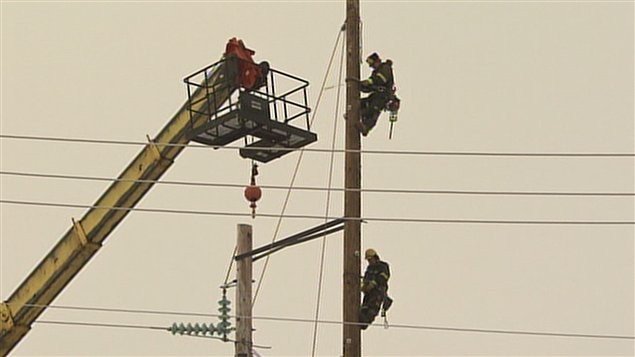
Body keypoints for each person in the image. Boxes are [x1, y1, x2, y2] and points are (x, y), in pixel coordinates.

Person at [358, 53, 395, 136]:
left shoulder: (385, 68)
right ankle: (355, 115)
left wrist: (369, 82)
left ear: (377, 61)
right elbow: (371, 86)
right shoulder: (376, 72)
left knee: (372, 110)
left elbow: (380, 79)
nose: (371, 67)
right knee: (360, 103)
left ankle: (365, 126)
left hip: (383, 96)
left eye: (372, 64)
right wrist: (361, 87)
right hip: (376, 95)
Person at [360, 248, 393, 330]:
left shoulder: (383, 266)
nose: (369, 262)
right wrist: (364, 286)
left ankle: (365, 321)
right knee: (364, 307)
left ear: (375, 257)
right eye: (368, 260)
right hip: (369, 293)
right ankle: (361, 321)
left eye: (370, 260)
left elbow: (384, 277)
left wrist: (374, 283)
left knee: (373, 307)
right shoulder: (369, 269)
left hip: (378, 291)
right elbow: (366, 279)